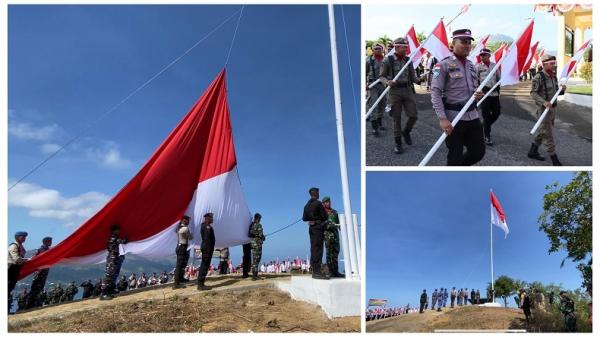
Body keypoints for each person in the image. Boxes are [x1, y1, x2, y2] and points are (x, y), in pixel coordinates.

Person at [431, 29, 485, 166]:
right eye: (463, 42)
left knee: (478, 152)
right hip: (454, 119)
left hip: (473, 116)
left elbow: (474, 88)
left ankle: (460, 169)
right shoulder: (442, 65)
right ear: (453, 44)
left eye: (469, 42)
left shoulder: (472, 65)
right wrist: (442, 118)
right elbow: (435, 92)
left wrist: (478, 94)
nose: (467, 45)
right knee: (455, 156)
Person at [379, 37, 421, 154]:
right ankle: (398, 143)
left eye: (407, 47)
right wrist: (387, 82)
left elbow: (412, 76)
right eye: (404, 47)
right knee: (396, 119)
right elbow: (381, 76)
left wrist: (418, 80)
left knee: (413, 115)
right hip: (394, 92)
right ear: (397, 47)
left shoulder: (408, 60)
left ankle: (406, 131)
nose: (406, 49)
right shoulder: (388, 60)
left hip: (407, 90)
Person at [528, 54, 566, 166]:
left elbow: (555, 93)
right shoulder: (538, 77)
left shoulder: (553, 76)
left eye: (554, 63)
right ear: (544, 64)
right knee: (548, 135)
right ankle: (554, 159)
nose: (554, 65)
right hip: (543, 110)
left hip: (552, 109)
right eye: (551, 63)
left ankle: (532, 151)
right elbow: (533, 93)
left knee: (543, 131)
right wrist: (544, 102)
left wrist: (562, 90)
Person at [475, 48, 502, 145]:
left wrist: (499, 86)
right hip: (484, 95)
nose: (482, 56)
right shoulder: (477, 67)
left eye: (485, 54)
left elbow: (499, 78)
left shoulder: (495, 66)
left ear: (489, 56)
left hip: (494, 94)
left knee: (497, 113)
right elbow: (475, 81)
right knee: (486, 116)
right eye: (481, 55)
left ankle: (484, 126)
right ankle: (487, 136)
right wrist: (478, 91)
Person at [302, 187, 329, 280]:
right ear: (316, 194)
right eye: (318, 193)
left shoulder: (306, 205)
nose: (319, 194)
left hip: (311, 228)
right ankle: (317, 272)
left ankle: (315, 270)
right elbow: (325, 216)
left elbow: (304, 218)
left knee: (313, 248)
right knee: (318, 249)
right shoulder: (318, 203)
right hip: (318, 227)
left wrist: (311, 220)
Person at [101, 224, 128, 300]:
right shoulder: (113, 237)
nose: (119, 231)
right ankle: (104, 294)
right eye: (117, 230)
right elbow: (123, 241)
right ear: (114, 230)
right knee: (109, 275)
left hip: (114, 257)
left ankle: (110, 290)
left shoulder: (113, 237)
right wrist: (127, 238)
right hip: (112, 258)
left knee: (113, 275)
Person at [366, 43, 387, 136]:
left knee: (382, 104)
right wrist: (364, 84)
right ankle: (374, 128)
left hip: (383, 85)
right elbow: (364, 73)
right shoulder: (369, 60)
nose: (378, 50)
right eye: (376, 48)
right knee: (373, 105)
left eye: (380, 48)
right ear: (373, 50)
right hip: (372, 85)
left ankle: (379, 122)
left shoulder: (386, 60)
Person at [26, 236, 52, 309]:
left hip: (43, 272)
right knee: (35, 288)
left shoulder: (47, 249)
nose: (51, 242)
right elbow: (37, 260)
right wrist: (38, 270)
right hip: (40, 272)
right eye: (49, 241)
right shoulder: (42, 250)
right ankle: (30, 305)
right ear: (45, 242)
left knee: (39, 288)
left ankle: (35, 304)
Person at [323, 196, 344, 278]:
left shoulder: (335, 212)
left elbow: (339, 224)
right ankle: (330, 271)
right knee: (329, 253)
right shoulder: (322, 212)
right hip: (328, 235)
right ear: (323, 203)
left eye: (329, 201)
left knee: (335, 253)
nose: (328, 203)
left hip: (335, 235)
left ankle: (336, 271)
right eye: (326, 202)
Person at [8, 231, 28, 311]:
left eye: (25, 237)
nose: (24, 238)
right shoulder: (14, 246)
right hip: (10, 269)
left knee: (10, 287)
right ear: (17, 237)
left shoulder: (20, 246)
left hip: (15, 269)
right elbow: (16, 259)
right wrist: (27, 260)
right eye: (22, 237)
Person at [197, 213, 216, 290]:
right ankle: (200, 285)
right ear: (208, 218)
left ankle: (200, 283)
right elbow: (207, 239)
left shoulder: (205, 226)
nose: (212, 219)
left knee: (204, 265)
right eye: (211, 218)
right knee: (204, 266)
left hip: (207, 248)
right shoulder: (207, 227)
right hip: (207, 248)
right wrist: (209, 249)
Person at [173, 215, 193, 289]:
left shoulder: (178, 228)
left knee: (181, 264)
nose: (188, 222)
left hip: (179, 246)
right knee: (180, 265)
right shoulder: (185, 228)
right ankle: (176, 283)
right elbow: (190, 237)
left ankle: (180, 279)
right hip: (182, 247)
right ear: (185, 221)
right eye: (188, 220)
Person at [249, 213, 266, 281]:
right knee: (257, 261)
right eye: (260, 219)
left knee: (254, 260)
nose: (260, 220)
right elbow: (261, 235)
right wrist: (263, 237)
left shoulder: (251, 225)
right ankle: (254, 276)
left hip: (253, 244)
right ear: (257, 218)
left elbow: (250, 234)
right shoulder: (258, 225)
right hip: (257, 245)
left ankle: (255, 275)